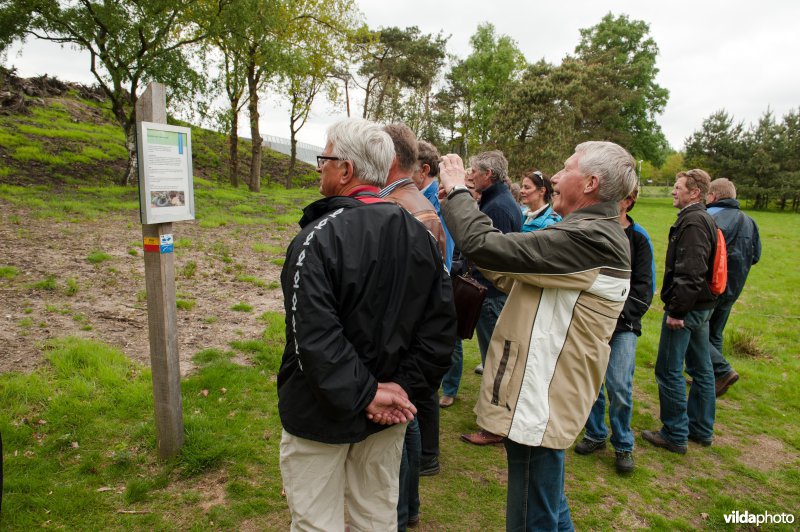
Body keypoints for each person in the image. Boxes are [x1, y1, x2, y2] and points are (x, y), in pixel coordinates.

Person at [439, 141, 636, 531]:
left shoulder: (592, 238)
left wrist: (458, 190)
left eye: (566, 169)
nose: (556, 177)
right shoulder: (586, 231)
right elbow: (513, 273)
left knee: (533, 513)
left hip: (541, 393)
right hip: (544, 390)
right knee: (547, 500)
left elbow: (487, 246)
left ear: (591, 183)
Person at [277, 117, 456, 531]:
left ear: (346, 169)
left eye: (324, 159)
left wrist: (377, 394)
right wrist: (394, 392)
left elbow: (312, 337)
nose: (319, 167)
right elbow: (440, 331)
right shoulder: (419, 235)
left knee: (317, 522)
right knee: (375, 515)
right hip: (385, 412)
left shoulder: (317, 238)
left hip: (322, 413)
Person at [379, 123, 451, 528]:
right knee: (407, 424)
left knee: (402, 427)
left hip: (402, 338)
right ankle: (409, 508)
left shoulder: (399, 207)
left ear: (388, 158)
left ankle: (402, 511)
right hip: (414, 335)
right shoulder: (414, 201)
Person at [574, 186, 655, 474]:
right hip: (591, 322)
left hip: (623, 326)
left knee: (619, 385)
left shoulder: (639, 238)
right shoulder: (595, 231)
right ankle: (595, 433)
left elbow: (644, 287)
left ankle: (623, 443)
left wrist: (619, 316)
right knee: (591, 382)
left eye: (617, 196)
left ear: (629, 201)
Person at [643, 169, 719, 454]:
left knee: (668, 369)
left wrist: (677, 311)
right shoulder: (701, 218)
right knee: (701, 368)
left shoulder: (694, 222)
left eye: (678, 187)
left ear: (694, 192)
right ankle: (700, 428)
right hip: (701, 306)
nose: (673, 191)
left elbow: (691, 270)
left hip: (688, 309)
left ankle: (675, 433)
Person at [458, 150, 522, 447]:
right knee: (493, 361)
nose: (470, 174)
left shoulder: (499, 207)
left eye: (474, 170)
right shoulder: (495, 201)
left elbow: (498, 257)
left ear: (489, 175)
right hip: (490, 292)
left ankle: (495, 426)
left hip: (493, 295)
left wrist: (479, 283)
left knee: (496, 363)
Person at [705, 178, 761, 396]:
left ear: (713, 196)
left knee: (696, 331)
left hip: (711, 286)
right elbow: (755, 256)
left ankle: (722, 371)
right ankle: (712, 379)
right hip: (734, 287)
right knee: (715, 333)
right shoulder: (750, 222)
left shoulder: (710, 218)